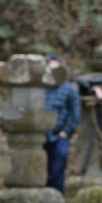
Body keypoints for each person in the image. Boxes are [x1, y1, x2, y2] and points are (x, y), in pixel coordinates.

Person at [42, 54, 80, 194]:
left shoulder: (69, 89)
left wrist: (66, 131)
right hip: (41, 135)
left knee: (57, 169)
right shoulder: (40, 87)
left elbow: (75, 112)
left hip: (60, 136)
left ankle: (57, 199)